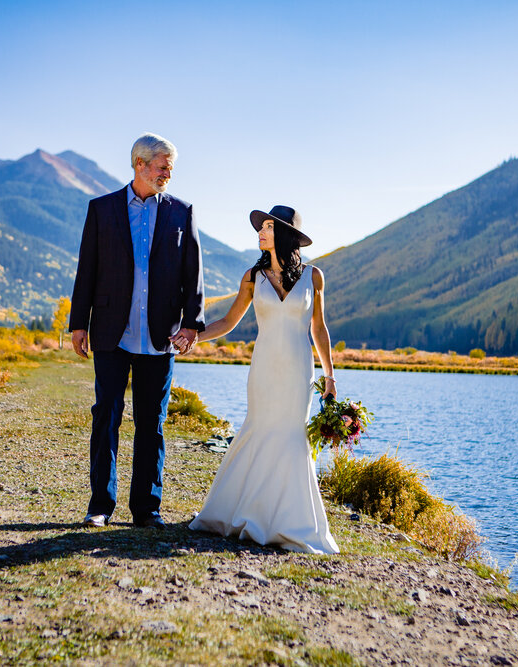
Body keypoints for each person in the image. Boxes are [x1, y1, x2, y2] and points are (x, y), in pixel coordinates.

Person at [69, 133, 204, 529]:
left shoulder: (182, 212)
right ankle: (100, 506)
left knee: (152, 423)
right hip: (112, 332)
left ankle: (147, 510)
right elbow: (86, 269)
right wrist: (79, 322)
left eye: (170, 168)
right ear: (139, 164)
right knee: (105, 418)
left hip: (161, 335)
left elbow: (193, 274)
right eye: (162, 166)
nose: (167, 173)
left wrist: (193, 324)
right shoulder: (102, 209)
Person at [189, 205, 339, 554]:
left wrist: (330, 374)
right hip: (264, 369)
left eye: (269, 227)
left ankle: (290, 523)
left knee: (292, 437)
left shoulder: (314, 277)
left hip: (299, 370)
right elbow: (227, 323)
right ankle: (244, 513)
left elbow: (318, 327)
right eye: (262, 226)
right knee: (258, 430)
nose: (261, 231)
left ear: (285, 234)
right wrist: (194, 336)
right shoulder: (251, 277)